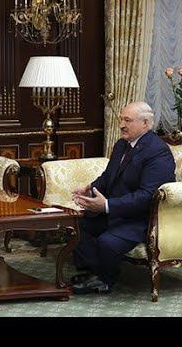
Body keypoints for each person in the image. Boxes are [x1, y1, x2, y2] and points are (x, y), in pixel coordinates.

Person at [70, 101, 175, 294]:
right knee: (80, 225)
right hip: (120, 211)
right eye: (121, 120)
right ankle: (93, 272)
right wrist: (89, 189)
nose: (121, 125)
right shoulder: (122, 145)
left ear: (145, 123)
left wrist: (107, 205)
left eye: (127, 120)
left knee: (107, 241)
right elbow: (108, 176)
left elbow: (147, 196)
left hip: (143, 218)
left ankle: (105, 280)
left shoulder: (158, 152)